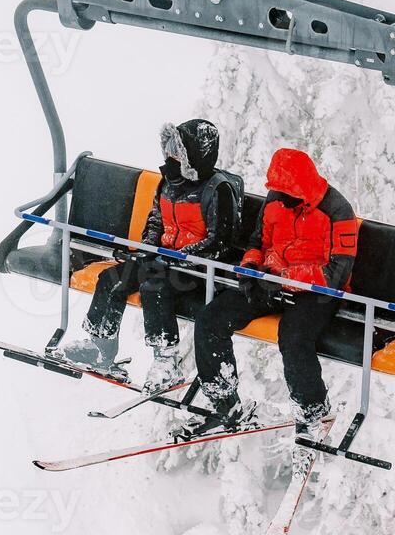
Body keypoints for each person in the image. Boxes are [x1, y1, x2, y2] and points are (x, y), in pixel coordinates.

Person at [187, 147, 359, 437]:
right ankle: (224, 399)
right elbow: (258, 241)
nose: (280, 197)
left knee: (294, 336)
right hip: (271, 279)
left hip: (316, 292)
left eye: (286, 191)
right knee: (212, 318)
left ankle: (314, 413)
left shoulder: (338, 211)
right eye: (277, 191)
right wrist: (251, 268)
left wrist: (284, 279)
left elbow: (336, 274)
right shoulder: (276, 200)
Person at [61, 119, 243, 391]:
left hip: (198, 270)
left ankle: (166, 360)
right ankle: (101, 346)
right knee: (113, 278)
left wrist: (181, 256)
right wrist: (147, 248)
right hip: (162, 259)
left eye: (176, 156)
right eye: (168, 155)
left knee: (154, 287)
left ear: (194, 158)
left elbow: (220, 242)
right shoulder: (168, 184)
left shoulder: (218, 191)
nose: (169, 162)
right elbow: (156, 220)